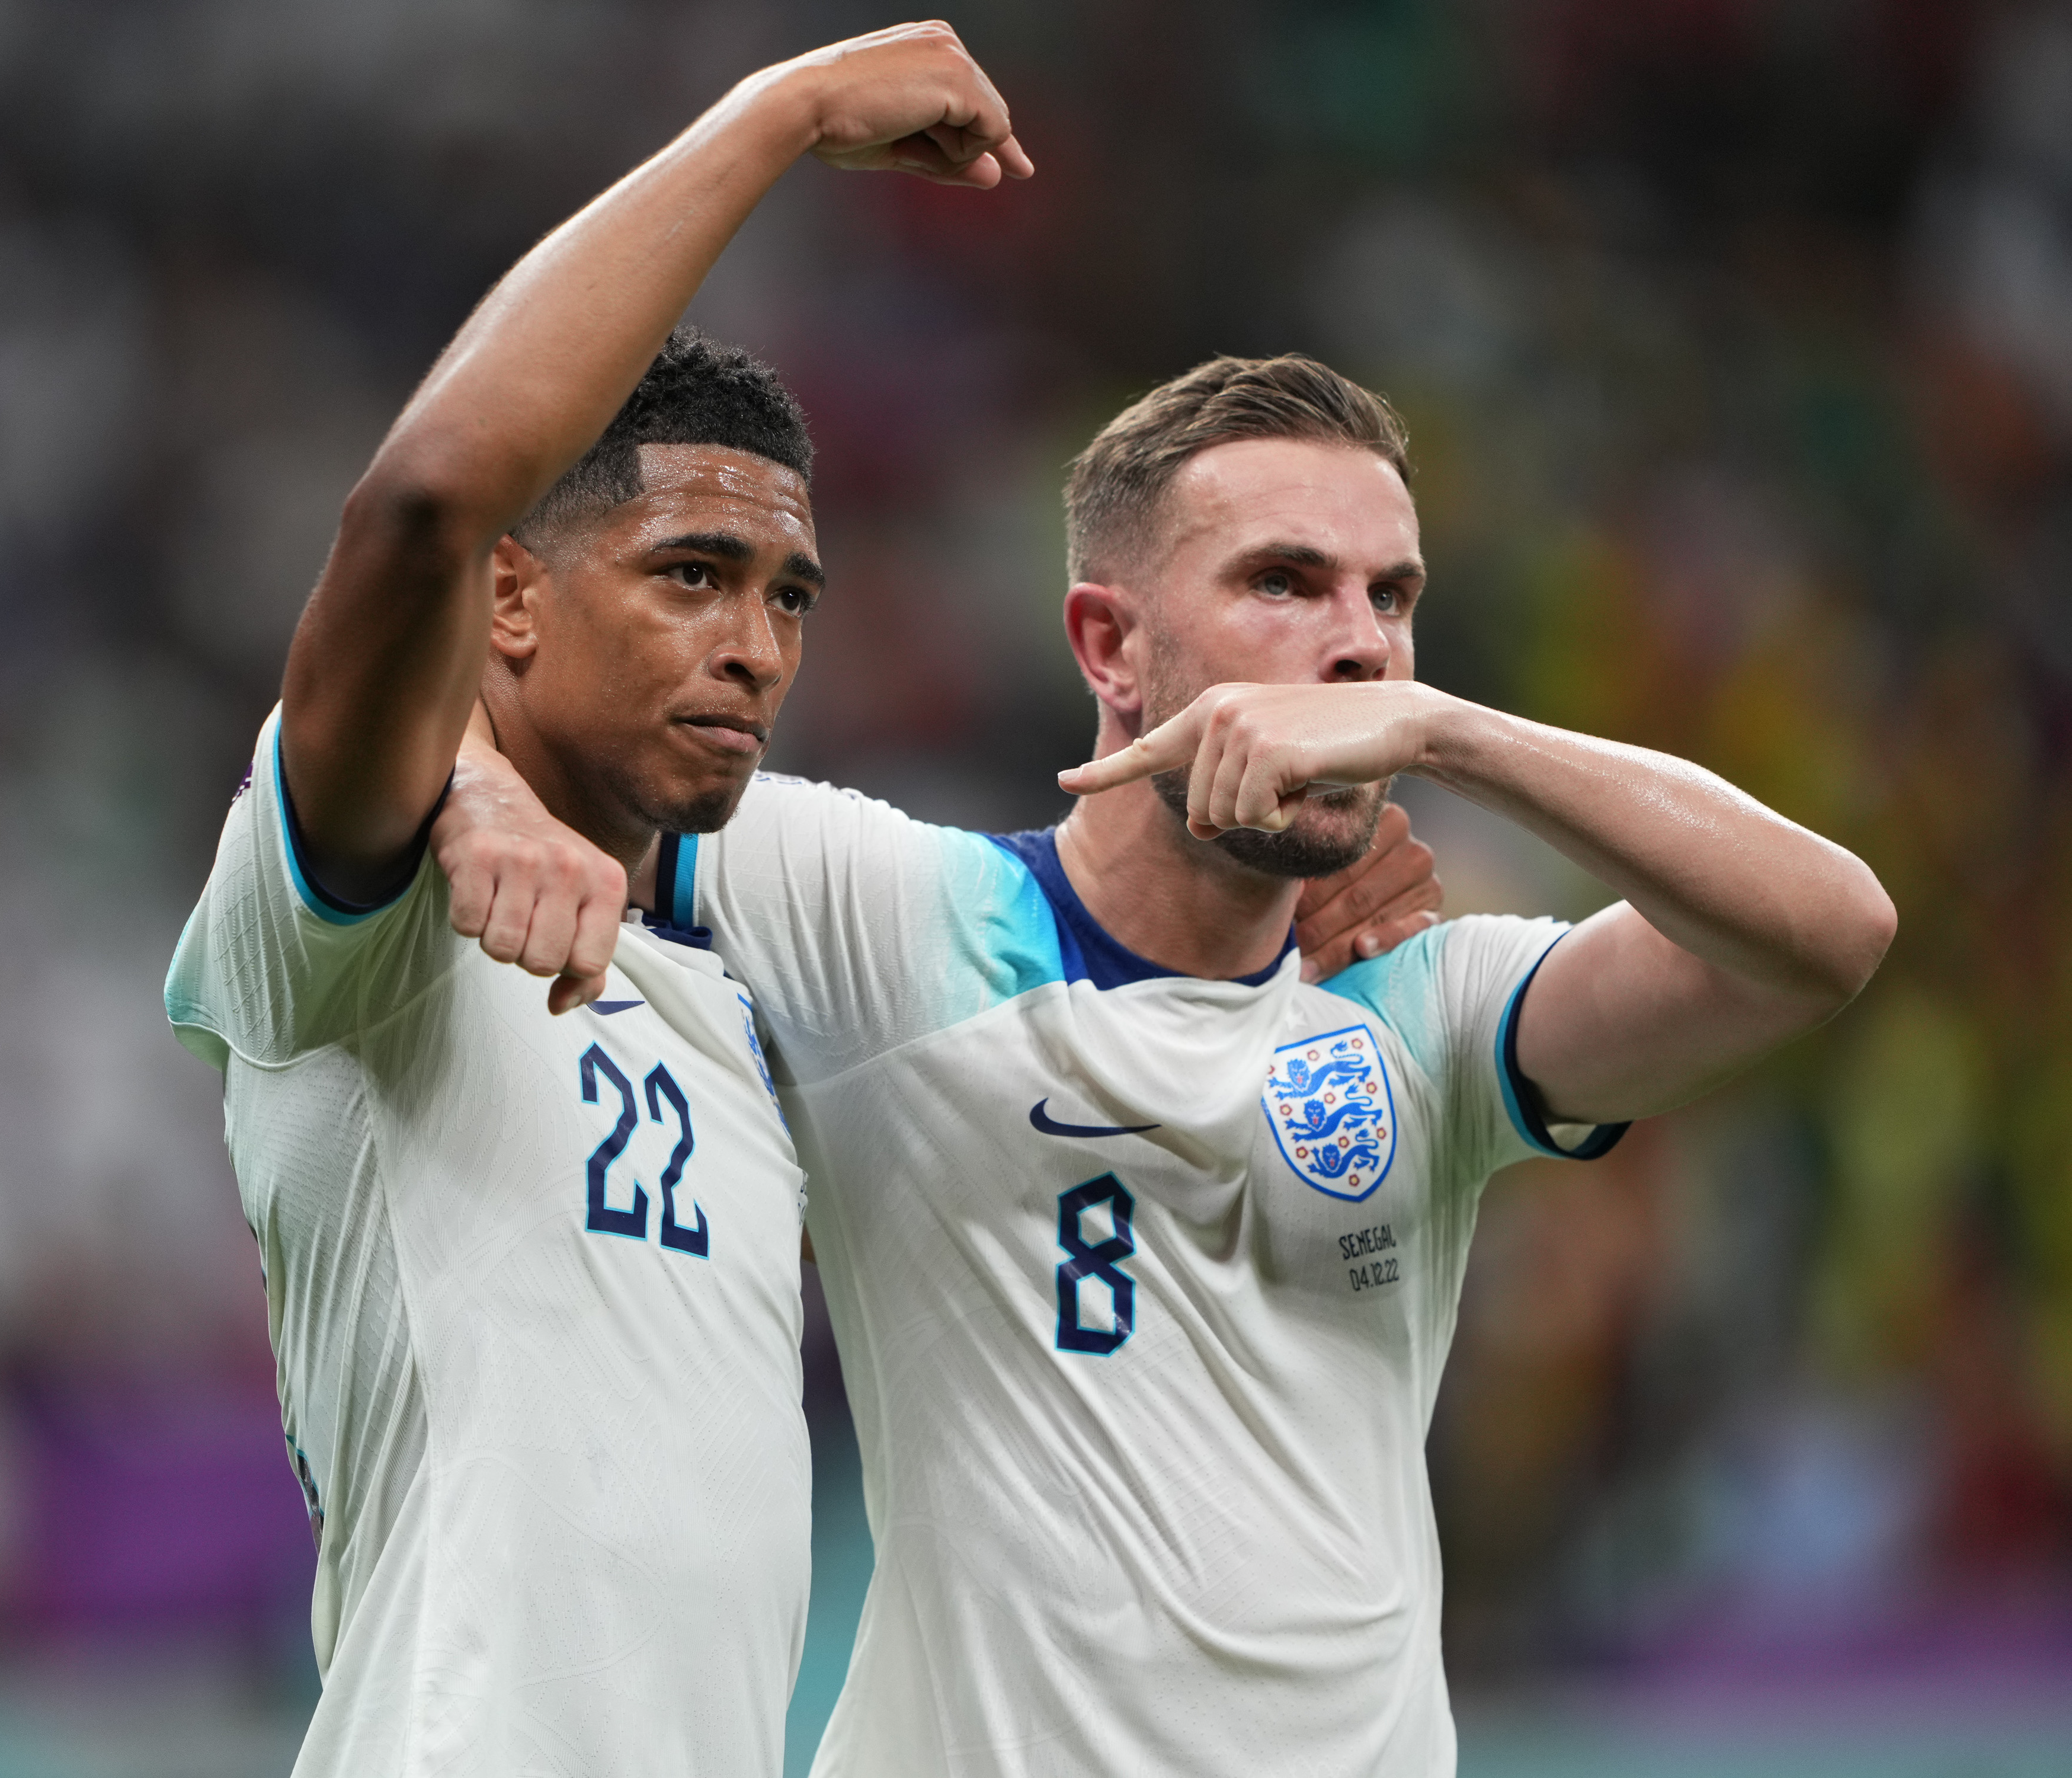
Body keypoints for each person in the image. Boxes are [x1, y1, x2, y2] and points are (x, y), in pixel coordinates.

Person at [440, 355, 1896, 1774]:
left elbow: (1832, 933)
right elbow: (452, 709)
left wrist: (1458, 738)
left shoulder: (1427, 1010)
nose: (1360, 645)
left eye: (1391, 599)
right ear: (1109, 645)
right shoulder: (886, 917)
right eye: (1284, 583)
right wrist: (479, 793)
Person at [161, 25, 1049, 1776]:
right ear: (510, 605)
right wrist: (776, 116)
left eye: (789, 597)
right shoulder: (371, 935)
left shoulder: (729, 1003)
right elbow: (420, 502)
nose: (754, 645)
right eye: (690, 575)